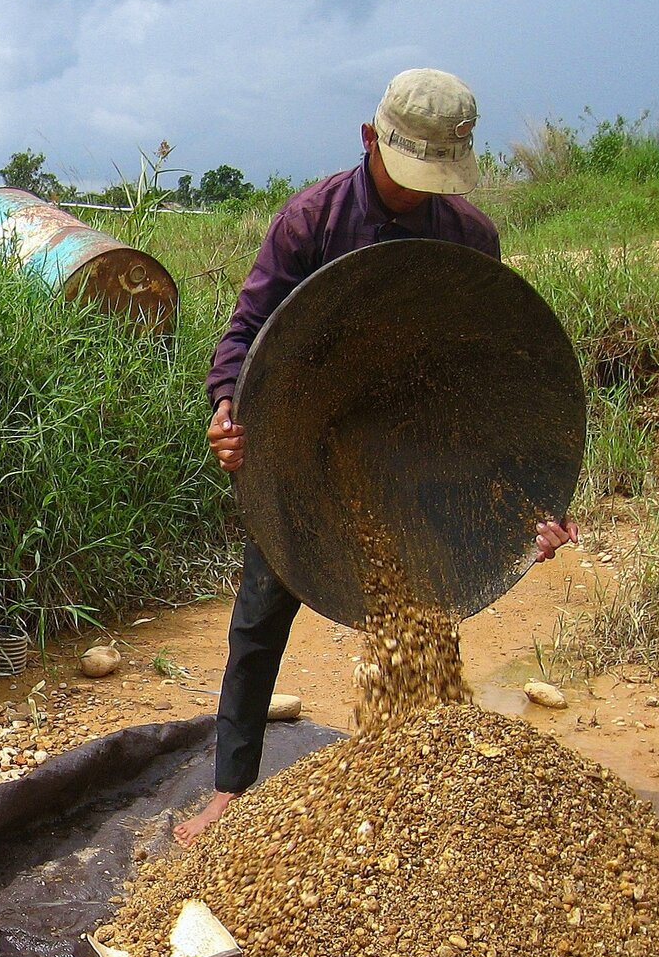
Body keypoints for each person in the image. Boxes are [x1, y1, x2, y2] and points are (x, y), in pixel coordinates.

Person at [176, 68, 577, 846]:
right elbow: (246, 329)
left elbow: (498, 369)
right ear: (369, 139)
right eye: (407, 170)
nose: (420, 189)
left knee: (424, 604)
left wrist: (536, 498)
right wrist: (225, 406)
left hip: (415, 444)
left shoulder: (469, 237)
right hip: (303, 436)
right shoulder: (311, 221)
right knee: (259, 614)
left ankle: (414, 778)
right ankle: (229, 788)